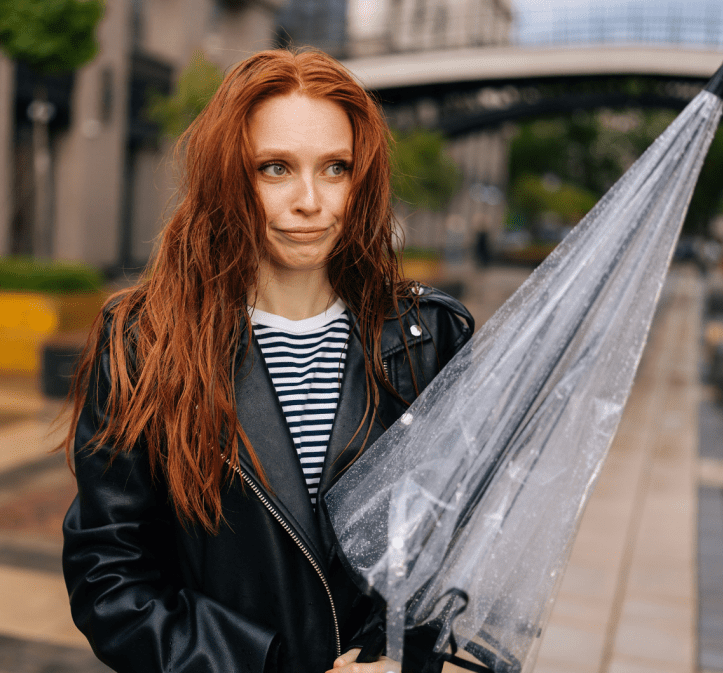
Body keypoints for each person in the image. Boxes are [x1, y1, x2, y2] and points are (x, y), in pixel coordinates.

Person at [61, 48, 474, 673]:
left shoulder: (428, 338)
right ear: (228, 178)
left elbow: (464, 553)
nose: (311, 201)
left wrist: (405, 661)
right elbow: (110, 578)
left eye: (335, 168)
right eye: (275, 168)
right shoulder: (147, 342)